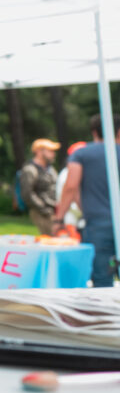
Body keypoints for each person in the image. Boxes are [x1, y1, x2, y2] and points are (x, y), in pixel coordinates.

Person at [56, 115, 120, 287]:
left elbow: (71, 187)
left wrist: (59, 218)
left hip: (98, 223)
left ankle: (106, 313)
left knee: (101, 277)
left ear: (94, 132)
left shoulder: (82, 154)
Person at [18, 138, 60, 235]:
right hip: (43, 213)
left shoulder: (50, 169)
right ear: (39, 151)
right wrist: (44, 209)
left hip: (54, 211)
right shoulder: (30, 170)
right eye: (50, 151)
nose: (53, 154)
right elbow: (27, 194)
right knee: (50, 241)